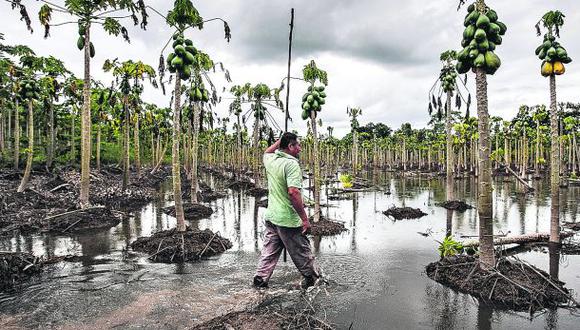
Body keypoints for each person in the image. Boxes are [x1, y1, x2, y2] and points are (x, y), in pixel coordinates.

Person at [253, 132, 320, 289]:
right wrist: (304, 219)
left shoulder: (270, 160)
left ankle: (259, 282)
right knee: (303, 254)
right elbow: (293, 192)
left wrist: (280, 141)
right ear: (290, 146)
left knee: (268, 254)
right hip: (288, 220)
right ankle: (314, 282)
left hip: (271, 217)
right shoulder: (292, 164)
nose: (300, 148)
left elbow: (267, 151)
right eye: (297, 145)